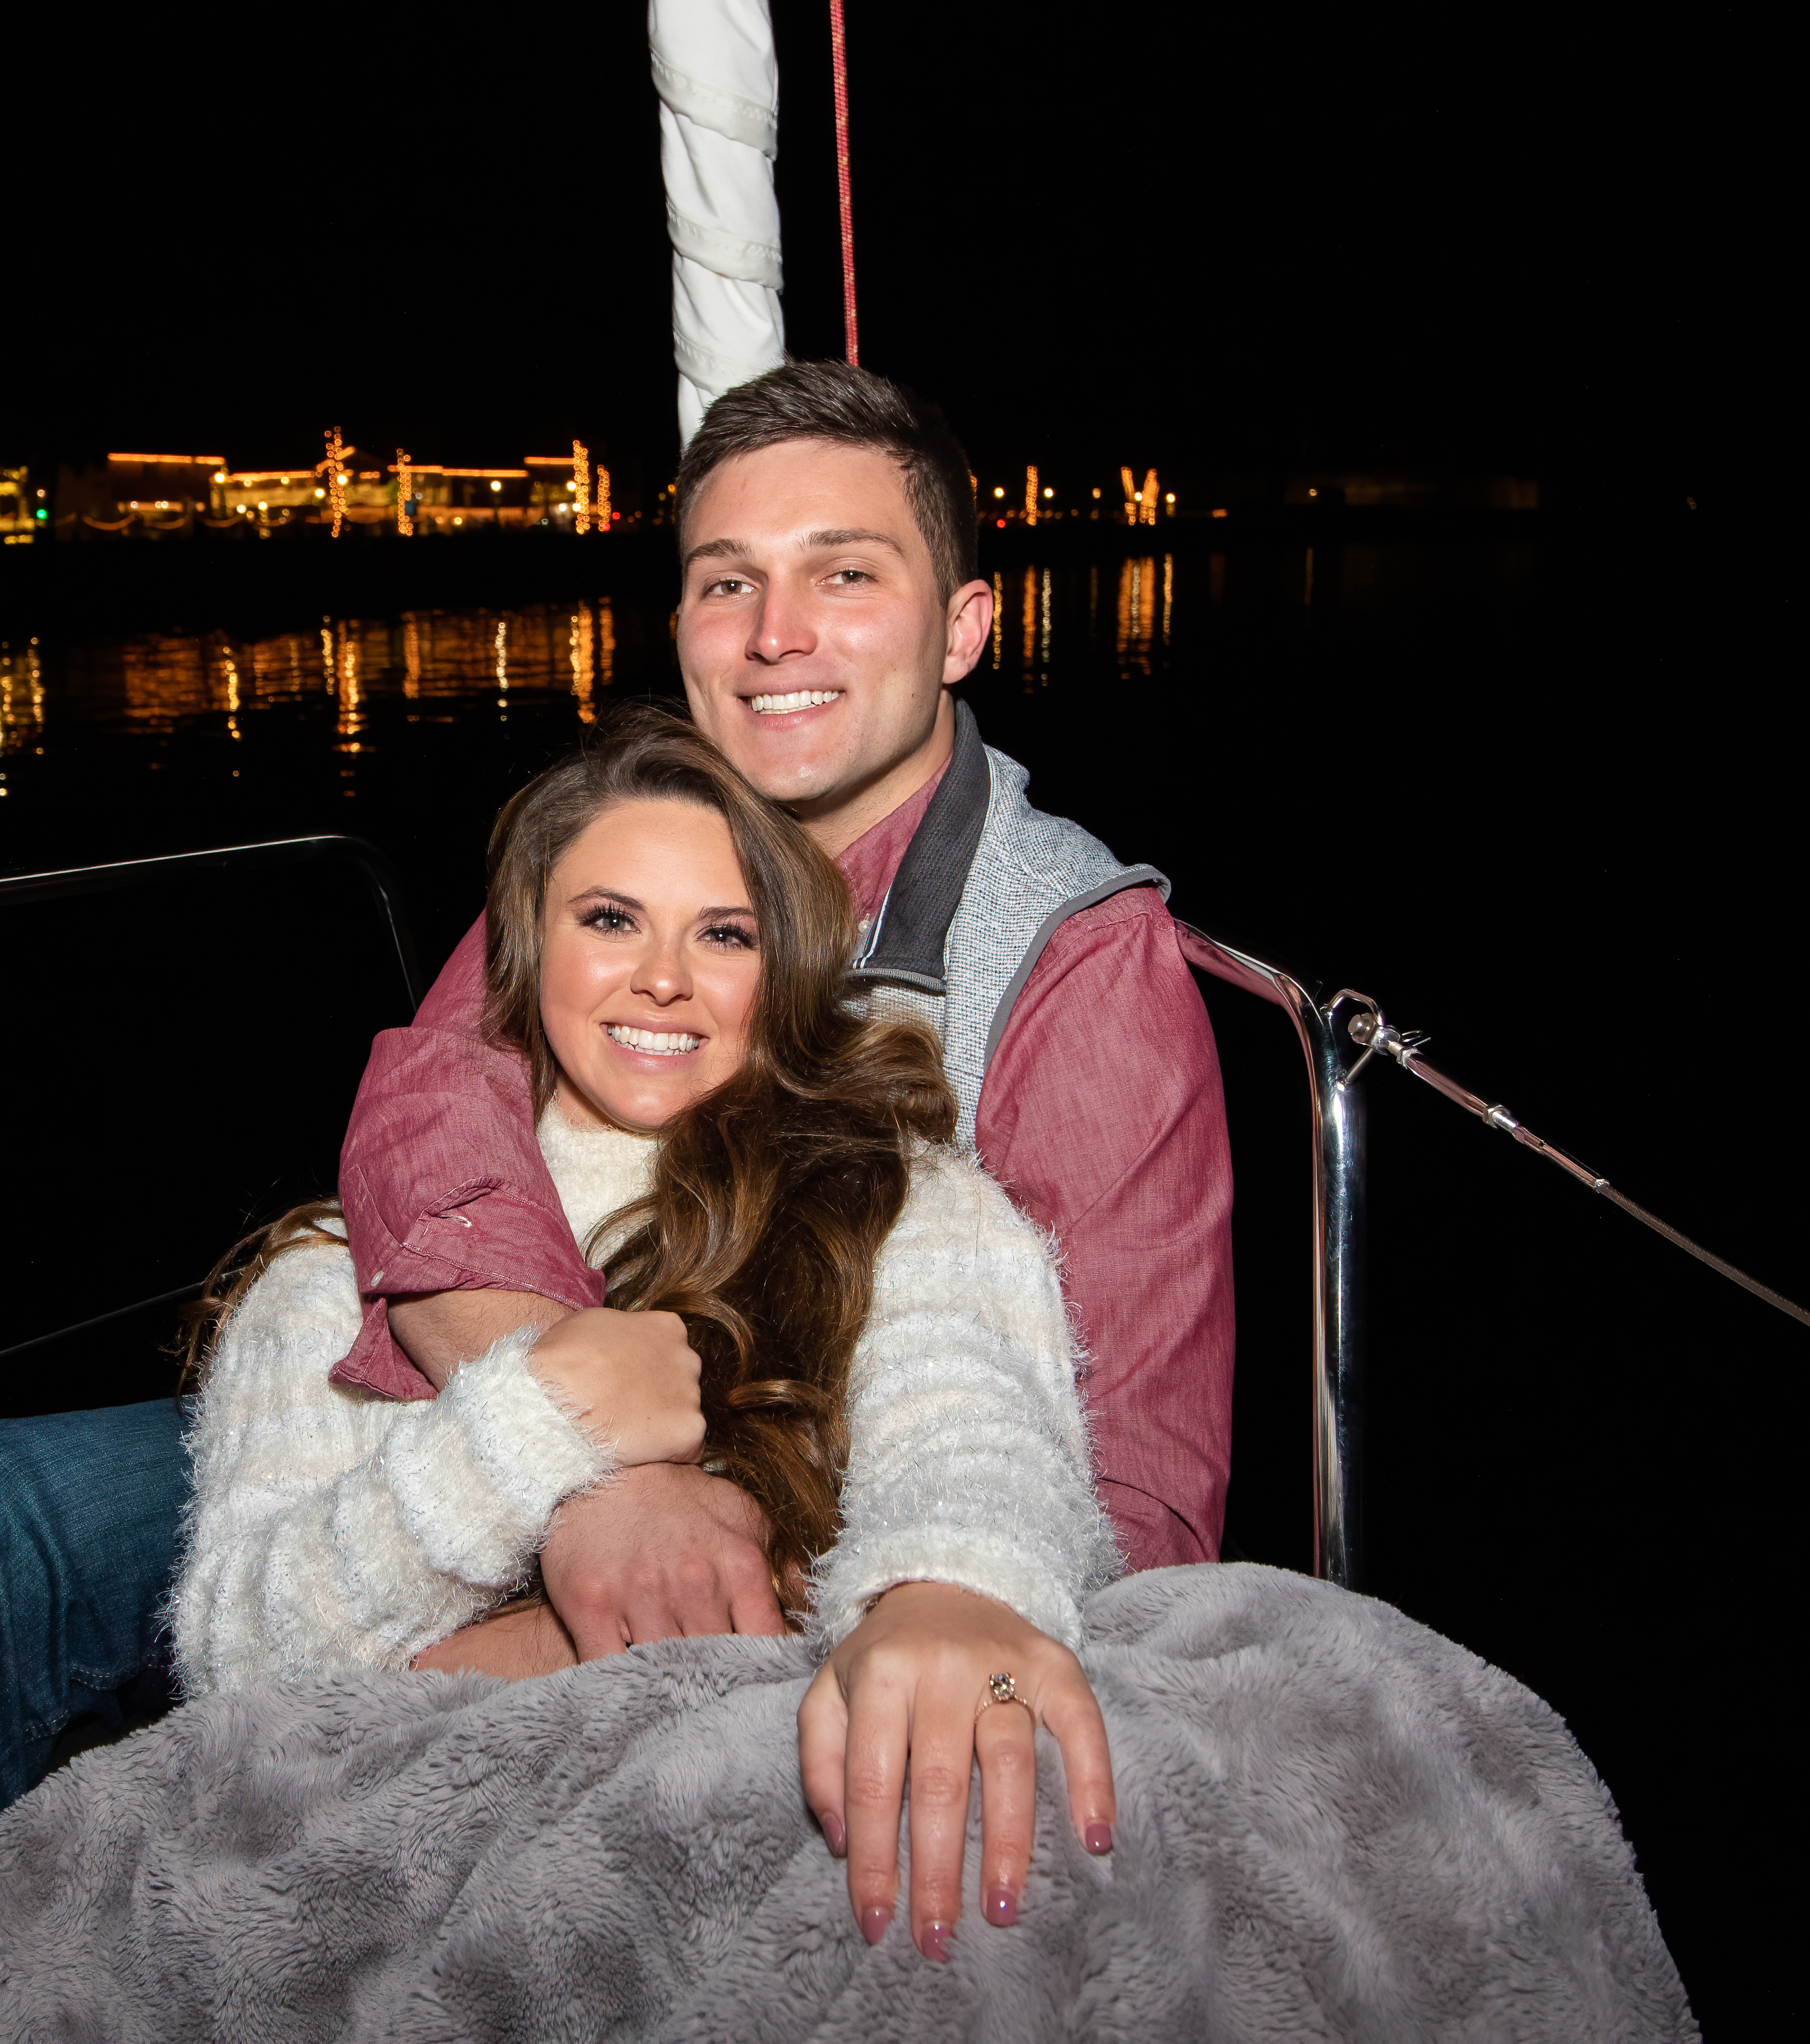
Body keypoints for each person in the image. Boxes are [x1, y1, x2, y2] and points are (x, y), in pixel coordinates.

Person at [0, 361, 1230, 2041]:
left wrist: (784, 1570)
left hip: (822, 1510)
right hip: (490, 1425)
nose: (773, 633)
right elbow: (428, 1117)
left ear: (968, 621)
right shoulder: (639, 828)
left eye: (845, 573)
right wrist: (589, 1455)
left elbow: (1129, 1488)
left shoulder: (1071, 959)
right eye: (722, 578)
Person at [173, 710, 1122, 1949]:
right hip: (457, 1890)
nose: (661, 978)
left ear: (780, 975)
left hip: (804, 1850)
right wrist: (537, 1422)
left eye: (722, 935)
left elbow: (973, 1433)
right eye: (610, 919)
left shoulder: (901, 1200)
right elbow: (241, 1665)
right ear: (525, 951)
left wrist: (947, 1593)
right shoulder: (330, 1277)